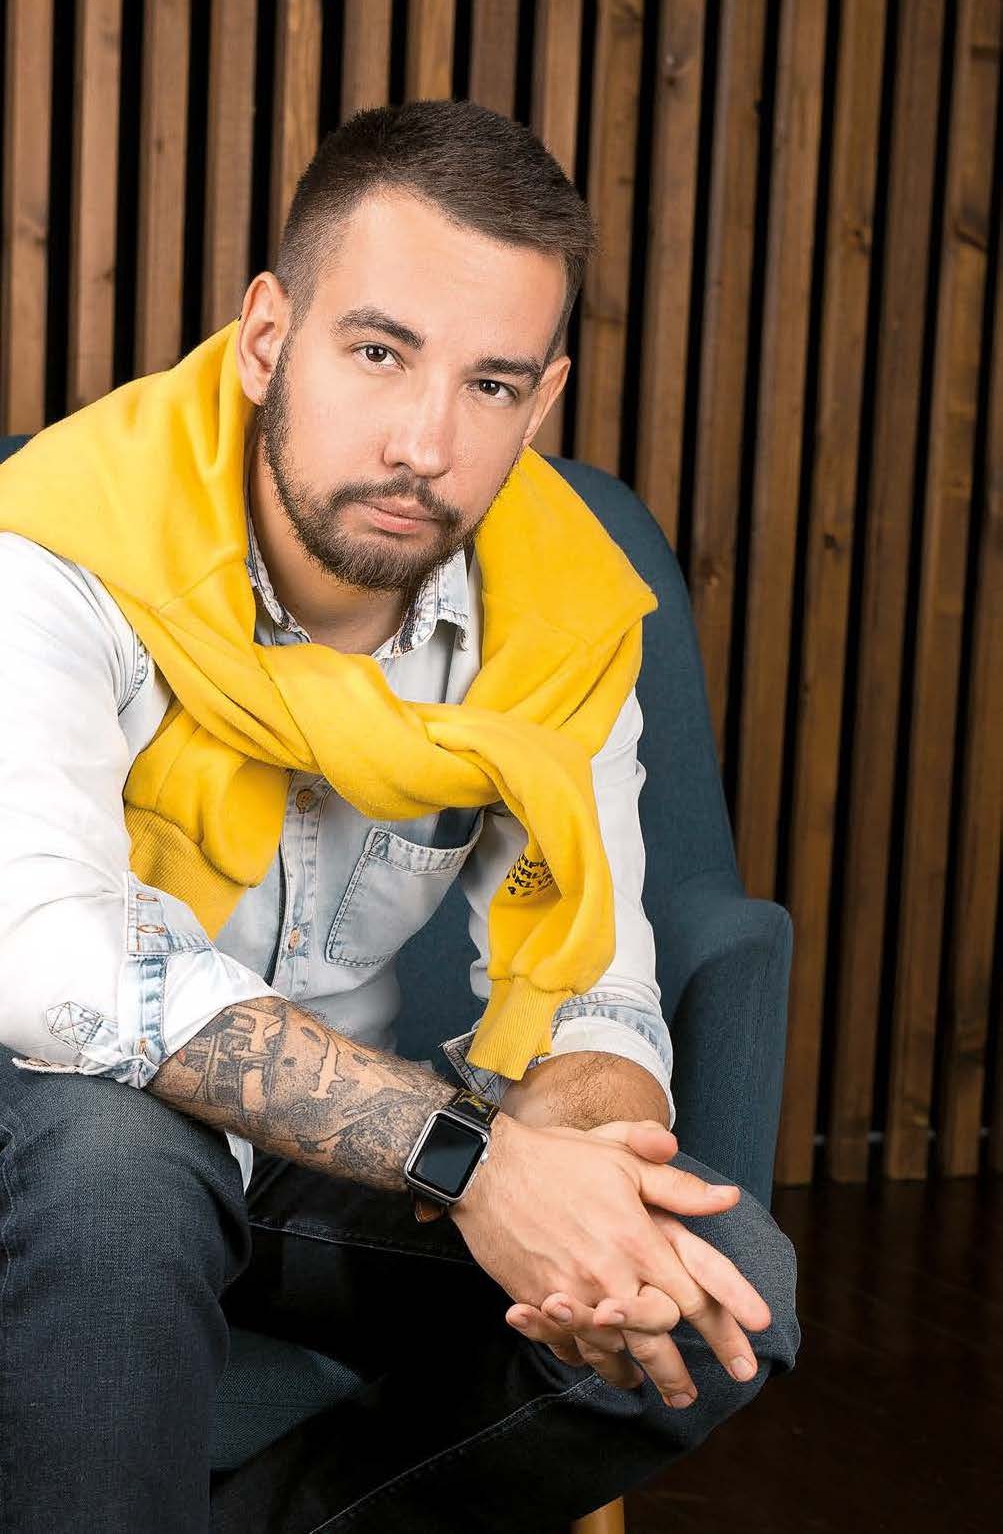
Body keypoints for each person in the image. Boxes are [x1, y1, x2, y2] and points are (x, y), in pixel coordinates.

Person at [0, 99, 800, 1532]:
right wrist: (474, 1160)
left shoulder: (560, 614)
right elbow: (52, 959)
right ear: (268, 339)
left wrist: (587, 1185)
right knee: (116, 1171)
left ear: (541, 404)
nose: (426, 443)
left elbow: (596, 993)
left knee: (715, 1283)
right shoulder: (57, 550)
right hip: (56, 1130)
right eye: (379, 353)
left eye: (491, 385)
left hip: (326, 1153)